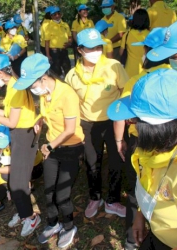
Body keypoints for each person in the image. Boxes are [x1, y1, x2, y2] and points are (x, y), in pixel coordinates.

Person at [13, 53, 84, 248]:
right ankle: (53, 224)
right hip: (52, 150)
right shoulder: (45, 93)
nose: (31, 89)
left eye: (32, 85)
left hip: (70, 148)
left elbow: (70, 129)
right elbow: (46, 113)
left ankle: (69, 227)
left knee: (62, 195)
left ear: (44, 77)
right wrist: (40, 119)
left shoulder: (67, 94)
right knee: (48, 192)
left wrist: (50, 146)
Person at [111, 27, 169, 250]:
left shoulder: (137, 80)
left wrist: (119, 141)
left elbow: (121, 117)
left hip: (141, 142)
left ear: (149, 52)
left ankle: (131, 239)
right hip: (170, 142)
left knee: (138, 190)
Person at [107, 69, 177, 250]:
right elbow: (149, 187)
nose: (130, 124)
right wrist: (141, 214)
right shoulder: (149, 152)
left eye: (133, 120)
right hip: (156, 232)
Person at [65, 28, 129, 219]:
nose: (96, 51)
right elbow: (69, 104)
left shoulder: (114, 66)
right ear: (80, 50)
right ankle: (95, 197)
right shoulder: (72, 76)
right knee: (92, 162)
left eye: (98, 47)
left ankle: (113, 200)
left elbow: (125, 92)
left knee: (116, 160)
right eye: (90, 48)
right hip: (87, 124)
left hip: (113, 122)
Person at [0, 54, 40, 237]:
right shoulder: (12, 86)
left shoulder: (17, 89)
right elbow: (8, 112)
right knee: (15, 181)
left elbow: (12, 122)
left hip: (24, 135)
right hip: (18, 134)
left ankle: (30, 217)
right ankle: (23, 213)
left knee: (18, 182)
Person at [120, 9, 150, 78]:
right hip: (146, 71)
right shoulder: (150, 35)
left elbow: (121, 52)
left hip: (129, 70)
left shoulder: (127, 34)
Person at [44, 6, 72, 78]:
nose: (57, 16)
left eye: (58, 14)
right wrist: (48, 55)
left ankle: (68, 85)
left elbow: (70, 37)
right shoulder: (48, 26)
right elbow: (47, 42)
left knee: (67, 68)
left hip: (64, 51)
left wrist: (69, 43)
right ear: (51, 16)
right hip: (54, 52)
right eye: (54, 14)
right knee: (56, 71)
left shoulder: (65, 25)